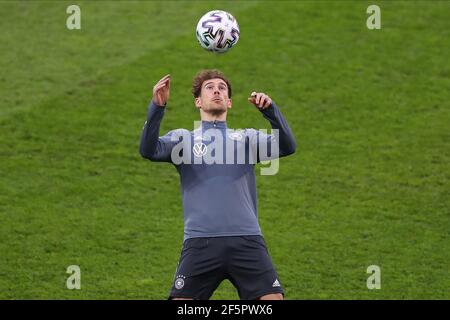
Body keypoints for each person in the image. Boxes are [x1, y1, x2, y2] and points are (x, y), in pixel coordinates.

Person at [139, 70, 296, 300]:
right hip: (199, 242)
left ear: (229, 102)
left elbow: (287, 146)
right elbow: (148, 150)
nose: (217, 90)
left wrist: (270, 112)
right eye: (210, 87)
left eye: (222, 88)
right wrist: (157, 107)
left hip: (247, 240)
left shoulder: (247, 139)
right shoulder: (183, 139)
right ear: (198, 101)